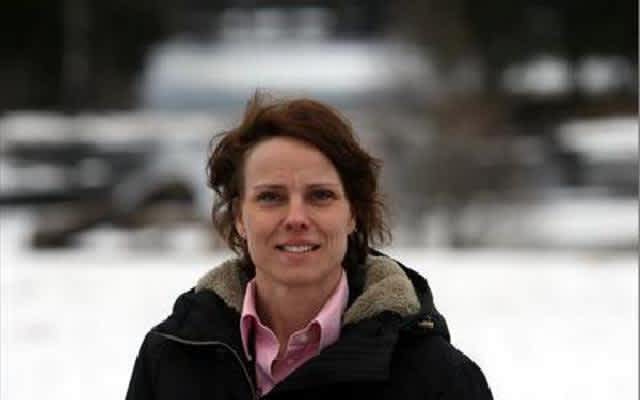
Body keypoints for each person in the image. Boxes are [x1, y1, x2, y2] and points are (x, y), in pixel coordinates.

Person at [125, 93, 493, 400]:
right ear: (238, 217)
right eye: (271, 197)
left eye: (320, 195)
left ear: (353, 214)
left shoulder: (438, 379)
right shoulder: (169, 358)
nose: (296, 218)